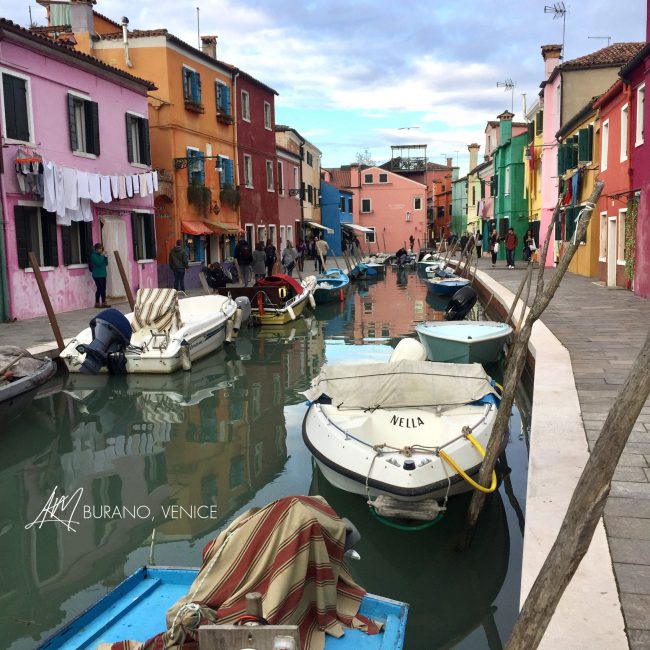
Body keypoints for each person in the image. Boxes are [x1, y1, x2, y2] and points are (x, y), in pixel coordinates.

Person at [90, 243, 109, 308]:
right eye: (99, 249)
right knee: (100, 288)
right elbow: (99, 263)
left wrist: (106, 257)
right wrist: (102, 256)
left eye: (101, 248)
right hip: (97, 275)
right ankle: (97, 303)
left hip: (103, 274)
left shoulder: (101, 255)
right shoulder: (93, 255)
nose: (100, 250)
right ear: (96, 249)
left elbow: (106, 263)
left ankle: (103, 302)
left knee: (103, 288)